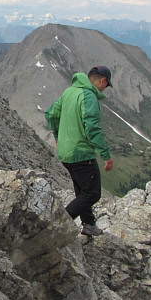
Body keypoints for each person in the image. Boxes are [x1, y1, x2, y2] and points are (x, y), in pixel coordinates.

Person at [45, 65, 114, 236]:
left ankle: (88, 224)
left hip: (65, 153)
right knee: (92, 194)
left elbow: (51, 114)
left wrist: (57, 137)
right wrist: (105, 155)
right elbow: (92, 128)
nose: (105, 89)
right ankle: (57, 224)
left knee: (82, 191)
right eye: (106, 85)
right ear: (103, 80)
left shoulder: (69, 92)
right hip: (81, 154)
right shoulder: (89, 96)